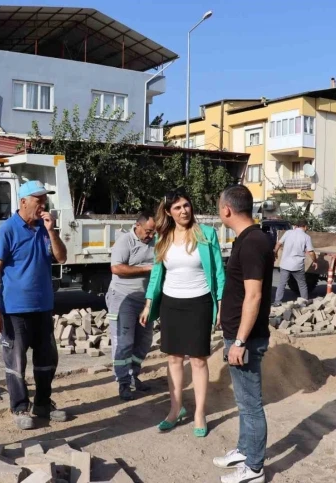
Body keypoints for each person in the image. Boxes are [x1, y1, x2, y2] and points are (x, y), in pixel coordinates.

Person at [139, 188, 225, 438]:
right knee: (174, 359)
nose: (183, 210)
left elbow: (219, 270)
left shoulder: (206, 234)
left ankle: (199, 412)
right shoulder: (162, 238)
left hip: (199, 303)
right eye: (177, 207)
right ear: (168, 212)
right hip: (171, 304)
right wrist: (148, 303)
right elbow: (156, 274)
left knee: (198, 360)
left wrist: (220, 302)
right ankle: (176, 410)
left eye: (186, 205)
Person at [0, 180, 68, 430]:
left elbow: (61, 257)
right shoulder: (7, 230)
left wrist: (52, 231)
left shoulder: (45, 228)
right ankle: (20, 407)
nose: (43, 204)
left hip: (42, 308)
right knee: (16, 364)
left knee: (46, 360)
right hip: (15, 311)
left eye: (44, 199)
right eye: (38, 199)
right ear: (23, 202)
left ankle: (43, 404)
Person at [212, 185, 274, 483]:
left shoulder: (252, 243)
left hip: (245, 339)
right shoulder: (248, 239)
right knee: (244, 401)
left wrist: (239, 341)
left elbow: (253, 296)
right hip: (238, 334)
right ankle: (245, 450)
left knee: (251, 403)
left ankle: (254, 469)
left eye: (218, 207)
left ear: (227, 209)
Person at [106, 211, 156, 401]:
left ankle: (134, 376)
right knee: (124, 342)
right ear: (138, 226)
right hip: (123, 298)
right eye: (148, 231)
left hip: (146, 301)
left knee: (143, 341)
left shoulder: (155, 242)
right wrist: (147, 268)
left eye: (153, 232)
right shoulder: (125, 241)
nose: (150, 236)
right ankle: (123, 383)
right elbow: (116, 268)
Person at [273, 218, 317, 306]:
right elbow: (311, 252)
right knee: (302, 284)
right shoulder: (306, 237)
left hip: (285, 264)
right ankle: (304, 302)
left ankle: (277, 302)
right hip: (297, 265)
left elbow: (278, 243)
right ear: (305, 227)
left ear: (296, 226)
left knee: (282, 283)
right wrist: (315, 261)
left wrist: (275, 253)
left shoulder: (288, 233)